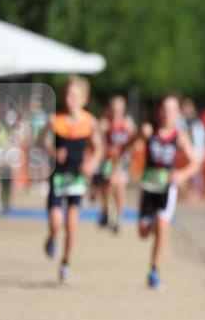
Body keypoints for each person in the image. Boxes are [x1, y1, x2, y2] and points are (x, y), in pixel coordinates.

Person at [130, 93, 201, 291]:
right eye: (162, 108)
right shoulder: (148, 130)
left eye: (170, 110)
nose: (165, 113)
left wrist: (181, 175)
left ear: (178, 113)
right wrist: (120, 158)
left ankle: (154, 270)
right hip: (148, 187)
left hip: (167, 188)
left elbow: (195, 163)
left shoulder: (179, 136)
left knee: (163, 224)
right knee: (143, 233)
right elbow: (129, 144)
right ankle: (151, 223)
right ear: (157, 111)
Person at [40, 76, 103, 284]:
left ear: (84, 98)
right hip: (58, 177)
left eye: (75, 96)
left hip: (77, 178)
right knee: (56, 223)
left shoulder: (90, 122)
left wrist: (91, 164)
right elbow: (39, 142)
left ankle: (65, 264)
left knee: (72, 224)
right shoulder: (54, 120)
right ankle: (51, 238)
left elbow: (99, 148)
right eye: (67, 95)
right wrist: (52, 152)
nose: (70, 99)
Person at [93, 95, 136, 233]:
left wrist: (131, 154)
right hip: (108, 160)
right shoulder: (105, 123)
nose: (117, 112)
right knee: (108, 186)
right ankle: (105, 211)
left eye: (119, 110)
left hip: (122, 160)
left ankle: (119, 216)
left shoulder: (128, 123)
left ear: (123, 110)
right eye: (114, 109)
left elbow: (136, 141)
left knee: (120, 187)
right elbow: (95, 139)